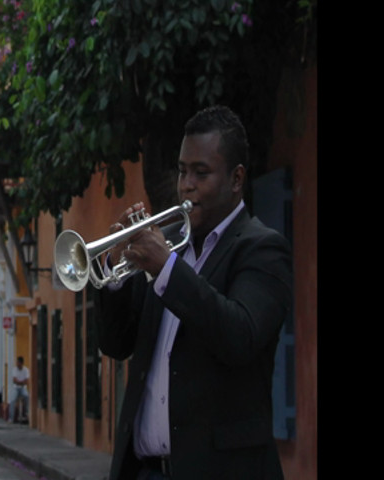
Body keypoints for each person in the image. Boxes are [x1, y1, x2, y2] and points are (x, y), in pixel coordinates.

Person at [97, 105, 292, 480]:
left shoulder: (262, 249)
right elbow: (115, 344)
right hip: (145, 471)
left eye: (201, 173)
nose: (186, 184)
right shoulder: (168, 246)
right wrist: (115, 271)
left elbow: (239, 335)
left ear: (236, 179)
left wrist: (166, 269)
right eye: (183, 171)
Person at [8, 356, 29, 423]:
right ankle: (11, 418)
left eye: (18, 362)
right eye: (17, 362)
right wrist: (21, 382)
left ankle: (27, 414)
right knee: (12, 399)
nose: (17, 364)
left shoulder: (26, 370)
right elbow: (14, 380)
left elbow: (27, 381)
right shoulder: (14, 369)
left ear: (21, 363)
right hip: (16, 388)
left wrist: (19, 382)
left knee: (27, 396)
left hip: (23, 388)